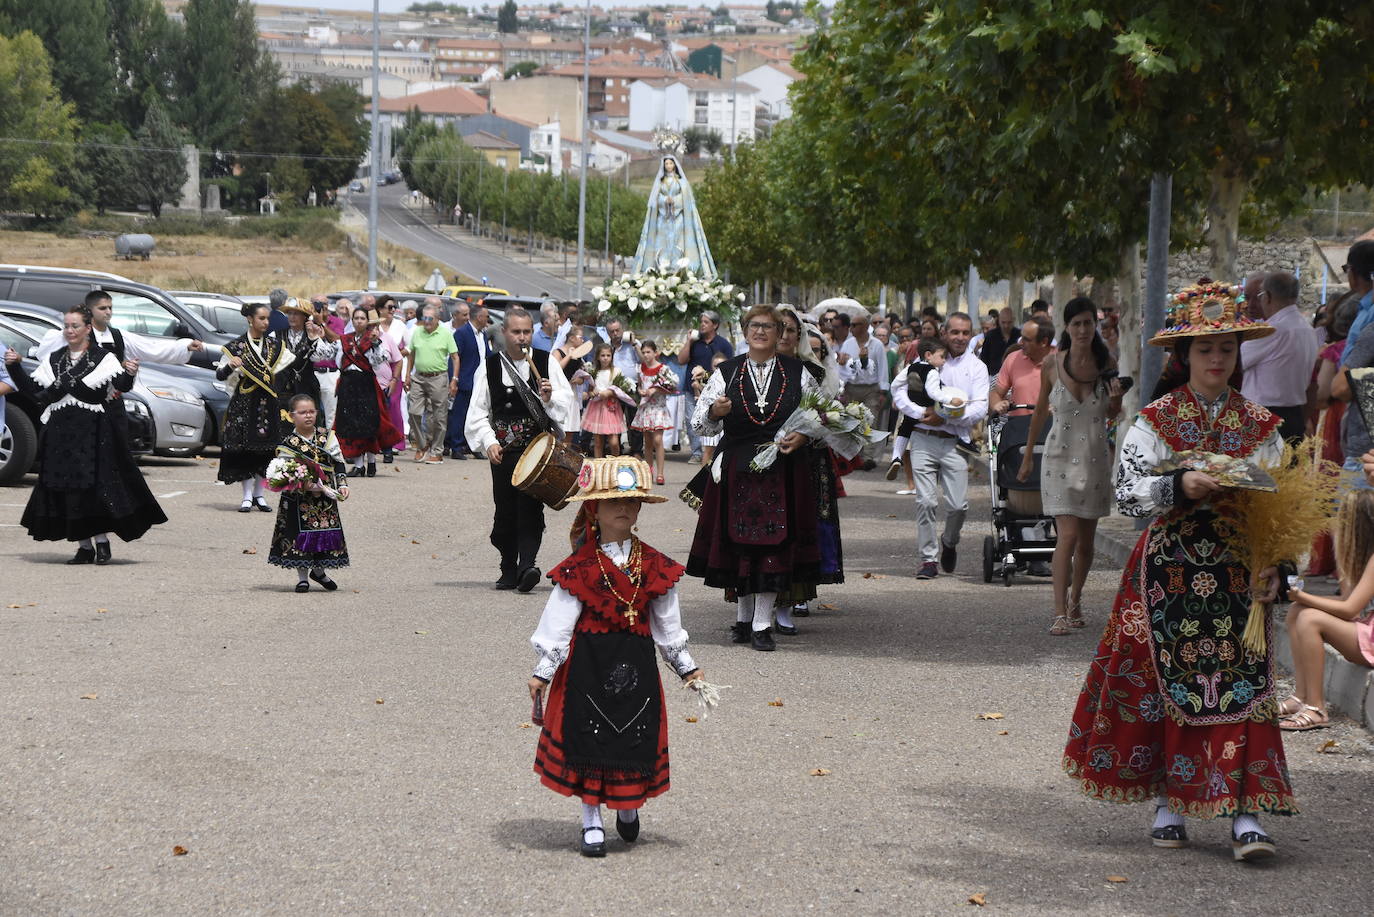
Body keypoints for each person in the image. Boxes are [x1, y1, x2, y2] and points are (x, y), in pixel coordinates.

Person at [1063, 280, 1292, 862]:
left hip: (1239, 575)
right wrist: (1178, 485)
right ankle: (1168, 797)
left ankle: (1246, 811)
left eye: (1227, 348)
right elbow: (1128, 496)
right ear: (1184, 357)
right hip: (1169, 572)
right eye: (1205, 349)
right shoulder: (1155, 422)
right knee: (1167, 686)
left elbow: (1285, 506)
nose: (1217, 359)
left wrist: (1279, 566)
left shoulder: (1261, 427)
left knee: (1245, 688)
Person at [527, 457, 704, 857]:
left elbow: (667, 625)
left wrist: (686, 667)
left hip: (637, 667)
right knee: (589, 742)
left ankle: (628, 807)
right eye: (613, 503)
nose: (624, 509)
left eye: (632, 501)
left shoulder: (657, 566)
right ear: (594, 509)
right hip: (587, 667)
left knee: (632, 740)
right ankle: (591, 819)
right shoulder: (579, 568)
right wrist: (543, 670)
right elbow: (559, 622)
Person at [685, 304, 821, 652]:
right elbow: (700, 424)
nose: (760, 331)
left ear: (780, 333)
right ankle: (744, 619)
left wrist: (803, 436)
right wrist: (715, 411)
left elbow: (818, 417)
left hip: (782, 468)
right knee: (739, 545)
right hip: (737, 469)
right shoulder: (727, 372)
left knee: (773, 546)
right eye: (754, 326)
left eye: (769, 326)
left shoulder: (798, 372)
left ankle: (762, 623)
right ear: (745, 332)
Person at [4, 306, 166, 564]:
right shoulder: (55, 359)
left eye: (75, 326)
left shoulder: (103, 358)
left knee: (93, 488)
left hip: (93, 431)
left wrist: (131, 373)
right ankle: (83, 547)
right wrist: (15, 368)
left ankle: (101, 543)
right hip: (59, 433)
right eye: (66, 326)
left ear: (88, 328)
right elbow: (35, 394)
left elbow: (121, 385)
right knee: (67, 488)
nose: (69, 331)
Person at [1017, 297, 1123, 633]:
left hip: (1094, 459)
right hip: (1058, 456)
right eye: (1076, 323)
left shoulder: (1107, 363)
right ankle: (1059, 612)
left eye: (1088, 323)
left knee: (1087, 543)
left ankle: (1076, 597)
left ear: (1095, 326)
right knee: (1068, 535)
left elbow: (1110, 414)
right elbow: (1038, 412)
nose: (1082, 329)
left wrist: (1117, 399)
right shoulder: (1051, 364)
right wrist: (1027, 454)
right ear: (1066, 327)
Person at [465, 307, 575, 593]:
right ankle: (507, 567)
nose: (522, 338)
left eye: (527, 331)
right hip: (503, 452)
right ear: (504, 333)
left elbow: (565, 405)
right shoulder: (489, 366)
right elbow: (477, 413)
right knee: (504, 510)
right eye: (516, 332)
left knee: (530, 508)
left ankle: (528, 565)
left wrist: (549, 399)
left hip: (537, 452)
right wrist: (489, 442)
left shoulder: (545, 362)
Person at [890, 314, 990, 579]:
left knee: (958, 506)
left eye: (965, 333)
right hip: (922, 438)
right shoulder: (926, 360)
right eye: (955, 332)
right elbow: (899, 391)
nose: (960, 337)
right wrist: (921, 412)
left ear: (972, 335)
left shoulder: (977, 368)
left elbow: (980, 406)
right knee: (925, 501)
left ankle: (949, 541)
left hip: (955, 442)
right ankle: (928, 560)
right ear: (945, 332)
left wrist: (945, 415)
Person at [1279, 490, 1374, 731]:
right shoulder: (1363, 555)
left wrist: (1304, 595)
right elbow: (1348, 601)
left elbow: (1350, 609)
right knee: (1297, 610)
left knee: (1309, 617)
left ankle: (1317, 707)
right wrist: (1302, 599)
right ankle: (1301, 696)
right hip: (1367, 630)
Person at [775, 305, 845, 629]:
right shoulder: (752, 369)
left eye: (792, 330)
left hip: (807, 458)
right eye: (780, 328)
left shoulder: (813, 373)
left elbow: (826, 415)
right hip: (764, 456)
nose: (785, 336)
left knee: (805, 525)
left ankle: (796, 595)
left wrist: (807, 432)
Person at [217, 303, 297, 512]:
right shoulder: (236, 346)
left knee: (266, 449)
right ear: (250, 319)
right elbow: (220, 375)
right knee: (245, 448)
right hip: (244, 403)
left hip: (268, 403)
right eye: (261, 318)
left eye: (267, 318)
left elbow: (284, 373)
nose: (266, 322)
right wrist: (230, 365)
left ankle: (259, 495)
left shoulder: (275, 346)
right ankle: (245, 496)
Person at [268, 394, 350, 591]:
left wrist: (342, 484)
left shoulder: (326, 436)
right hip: (298, 497)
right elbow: (282, 470)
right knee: (299, 534)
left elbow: (338, 462)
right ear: (291, 416)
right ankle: (302, 577)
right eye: (303, 412)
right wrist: (299, 482)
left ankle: (319, 572)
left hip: (324, 495)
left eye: (312, 411)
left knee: (323, 533)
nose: (308, 416)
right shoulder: (288, 442)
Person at [1240, 271, 1319, 442]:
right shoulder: (1308, 329)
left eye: (1259, 296)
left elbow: (1236, 361)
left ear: (1267, 296)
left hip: (1264, 415)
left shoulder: (1272, 330)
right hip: (1294, 413)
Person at [335, 306, 402, 478]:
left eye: (362, 318)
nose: (358, 321)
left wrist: (374, 343)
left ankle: (371, 462)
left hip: (366, 385)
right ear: (352, 320)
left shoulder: (373, 339)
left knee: (369, 424)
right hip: (349, 385)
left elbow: (379, 361)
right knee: (353, 424)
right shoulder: (345, 339)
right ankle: (359, 464)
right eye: (356, 318)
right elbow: (336, 360)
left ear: (367, 322)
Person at [632, 154, 717, 277]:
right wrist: (664, 200)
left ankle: (678, 267)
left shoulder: (681, 182)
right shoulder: (660, 183)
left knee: (679, 241)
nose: (669, 166)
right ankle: (661, 266)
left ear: (675, 165)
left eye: (671, 163)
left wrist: (676, 201)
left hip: (678, 218)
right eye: (666, 163)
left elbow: (686, 199)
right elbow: (656, 198)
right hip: (663, 218)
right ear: (663, 165)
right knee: (662, 242)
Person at [675, 311, 734, 464]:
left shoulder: (723, 344)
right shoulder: (695, 342)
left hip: (713, 390)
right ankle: (696, 453)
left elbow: (730, 367)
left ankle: (712, 453)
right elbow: (681, 360)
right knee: (690, 421)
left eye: (706, 322)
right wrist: (689, 341)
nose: (702, 325)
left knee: (711, 418)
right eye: (701, 321)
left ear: (715, 325)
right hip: (691, 387)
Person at [405, 303, 460, 464]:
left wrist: (454, 380)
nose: (426, 321)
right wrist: (408, 375)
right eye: (424, 318)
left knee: (438, 416)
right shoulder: (417, 332)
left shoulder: (445, 333)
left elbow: (455, 357)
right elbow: (412, 354)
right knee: (414, 412)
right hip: (419, 377)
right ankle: (422, 446)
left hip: (438, 377)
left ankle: (437, 451)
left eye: (430, 318)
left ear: (437, 319)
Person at [837, 311, 889, 468]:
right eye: (851, 325)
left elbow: (882, 368)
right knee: (851, 422)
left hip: (871, 389)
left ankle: (867, 457)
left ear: (865, 326)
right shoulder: (848, 344)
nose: (851, 328)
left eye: (855, 325)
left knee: (869, 422)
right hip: (852, 387)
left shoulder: (877, 345)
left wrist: (883, 391)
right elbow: (844, 368)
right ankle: (854, 457)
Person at [274, 298, 336, 428]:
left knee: (308, 424)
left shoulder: (312, 335)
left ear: (305, 317)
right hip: (283, 387)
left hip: (306, 387)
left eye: (296, 314)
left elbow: (323, 356)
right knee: (283, 423)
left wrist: (314, 337)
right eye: (289, 313)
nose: (292, 317)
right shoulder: (278, 334)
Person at [444, 303, 488, 459]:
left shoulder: (483, 334)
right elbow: (455, 359)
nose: (488, 320)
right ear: (479, 317)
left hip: (480, 382)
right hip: (465, 381)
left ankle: (472, 446)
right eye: (486, 316)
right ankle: (456, 447)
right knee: (459, 415)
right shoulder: (461, 333)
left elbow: (486, 355)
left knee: (475, 416)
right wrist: (454, 380)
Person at [991, 317, 1054, 417]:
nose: (1020, 342)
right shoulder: (1013, 358)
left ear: (1044, 342)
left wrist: (1060, 408)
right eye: (1021, 337)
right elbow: (996, 393)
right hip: (1019, 427)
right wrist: (997, 404)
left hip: (1053, 427)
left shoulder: (1063, 361)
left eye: (1026, 339)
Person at [632, 340, 675, 484]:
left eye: (648, 352)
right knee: (648, 442)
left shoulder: (663, 369)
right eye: (643, 352)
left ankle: (660, 473)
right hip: (646, 408)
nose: (645, 355)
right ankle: (649, 471)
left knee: (657, 440)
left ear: (655, 353)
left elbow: (672, 384)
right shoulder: (640, 368)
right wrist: (641, 391)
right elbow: (639, 384)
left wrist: (655, 389)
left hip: (658, 408)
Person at [581, 341, 633, 458]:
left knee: (614, 442)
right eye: (603, 355)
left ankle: (615, 463)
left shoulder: (616, 371)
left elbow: (620, 390)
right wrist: (591, 393)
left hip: (611, 407)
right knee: (598, 442)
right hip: (597, 408)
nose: (605, 358)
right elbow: (591, 389)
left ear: (612, 356)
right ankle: (599, 466)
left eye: (608, 355)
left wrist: (610, 393)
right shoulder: (594, 372)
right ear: (598, 357)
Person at [375, 296, 409, 462]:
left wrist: (395, 355)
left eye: (394, 307)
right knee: (377, 410)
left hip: (394, 373)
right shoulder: (374, 325)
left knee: (394, 407)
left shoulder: (400, 325)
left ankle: (396, 443)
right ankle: (378, 444)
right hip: (376, 375)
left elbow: (409, 346)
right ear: (380, 309)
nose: (392, 310)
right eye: (389, 307)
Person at [602, 319, 643, 455]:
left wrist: (634, 343)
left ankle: (636, 450)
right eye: (612, 331)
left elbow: (643, 361)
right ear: (608, 333)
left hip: (631, 387)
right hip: (613, 388)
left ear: (622, 329)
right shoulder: (607, 347)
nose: (615, 334)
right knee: (615, 419)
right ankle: (616, 450)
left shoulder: (632, 345)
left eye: (617, 330)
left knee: (634, 419)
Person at [311, 295, 344, 427]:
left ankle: (331, 445)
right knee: (311, 412)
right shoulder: (307, 321)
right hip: (312, 372)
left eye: (324, 304)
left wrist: (321, 324)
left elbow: (337, 339)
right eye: (317, 304)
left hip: (330, 373)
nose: (321, 307)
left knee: (332, 414)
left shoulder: (337, 321)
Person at [979, 307, 1020, 375]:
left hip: (1015, 375)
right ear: (998, 320)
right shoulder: (991, 336)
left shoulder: (1020, 335)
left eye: (1009, 322)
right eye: (1003, 322)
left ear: (1014, 320)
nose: (1006, 326)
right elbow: (984, 358)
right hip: (994, 376)